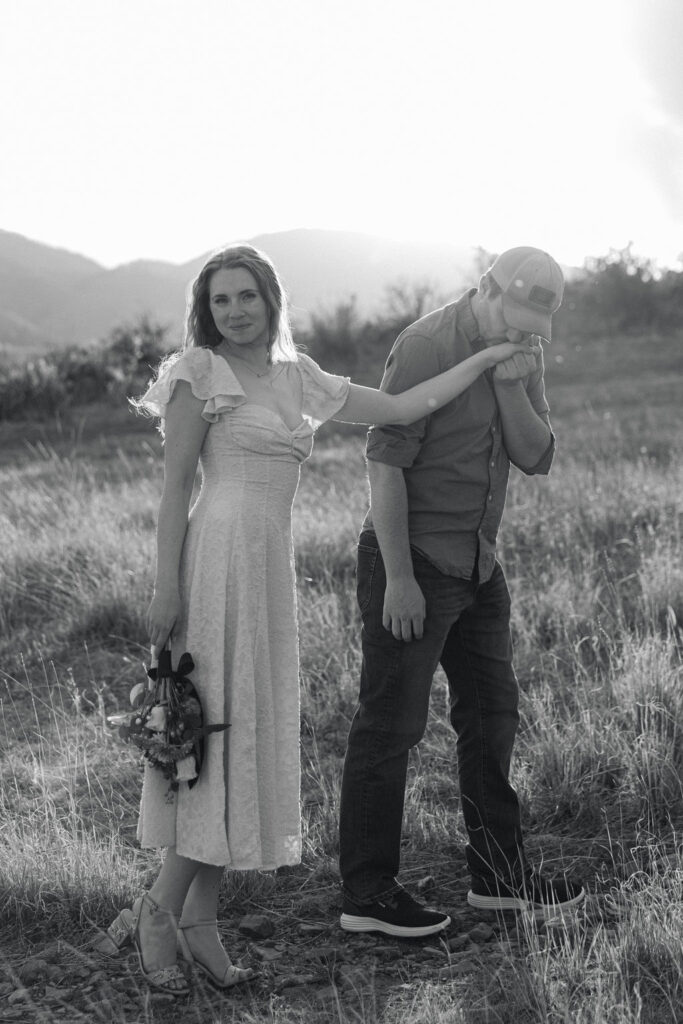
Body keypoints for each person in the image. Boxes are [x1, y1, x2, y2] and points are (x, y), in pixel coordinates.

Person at [97, 243, 533, 995]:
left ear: (271, 300)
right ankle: (157, 910)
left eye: (247, 297)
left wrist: (489, 353)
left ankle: (200, 919)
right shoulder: (197, 374)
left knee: (244, 738)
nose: (235, 311)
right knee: (212, 736)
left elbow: (401, 408)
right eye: (221, 299)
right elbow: (173, 494)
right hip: (217, 562)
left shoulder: (297, 377)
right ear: (207, 310)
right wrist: (164, 587)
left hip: (269, 570)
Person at [338, 247, 586, 939]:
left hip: (477, 563)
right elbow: (383, 465)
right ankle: (366, 893)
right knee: (389, 728)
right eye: (521, 310)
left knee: (491, 716)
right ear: (486, 289)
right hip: (412, 560)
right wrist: (400, 580)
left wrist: (511, 384)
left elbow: (535, 455)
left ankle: (499, 880)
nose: (530, 328)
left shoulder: (521, 350)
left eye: (541, 319)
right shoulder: (425, 345)